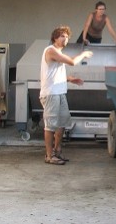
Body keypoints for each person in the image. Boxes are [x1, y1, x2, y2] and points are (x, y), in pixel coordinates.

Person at [40, 26, 93, 165]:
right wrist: (83, 54)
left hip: (60, 92)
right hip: (51, 94)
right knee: (50, 126)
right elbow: (72, 62)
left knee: (62, 123)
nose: (65, 39)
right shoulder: (51, 50)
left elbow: (54, 73)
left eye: (67, 36)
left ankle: (58, 152)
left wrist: (69, 79)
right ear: (55, 38)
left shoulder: (57, 52)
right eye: (62, 36)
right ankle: (49, 155)